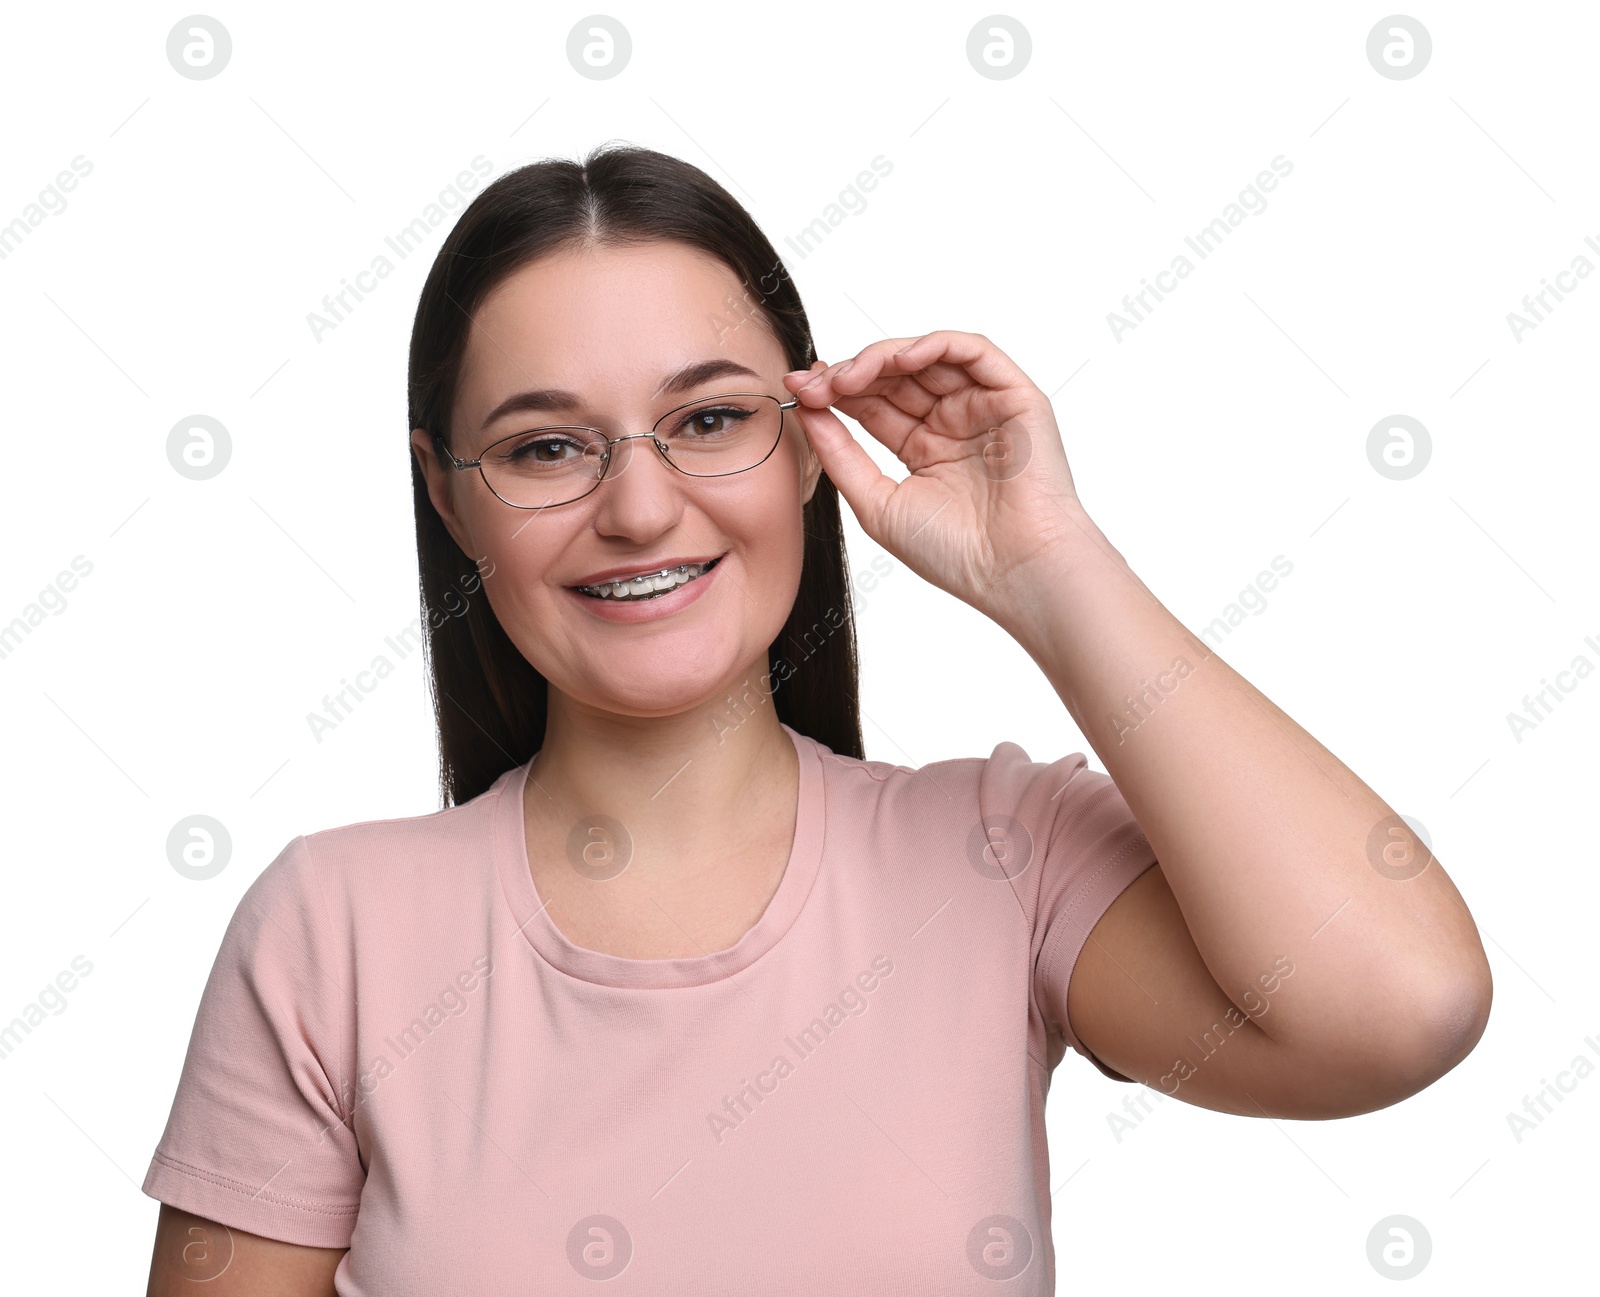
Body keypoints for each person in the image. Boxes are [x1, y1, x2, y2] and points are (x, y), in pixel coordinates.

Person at [141, 143, 1493, 1295]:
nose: (638, 506)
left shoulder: (997, 857)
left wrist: (1052, 571)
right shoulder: (332, 929)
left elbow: (1401, 1003)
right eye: (549, 444)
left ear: (806, 441)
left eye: (711, 418)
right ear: (449, 496)